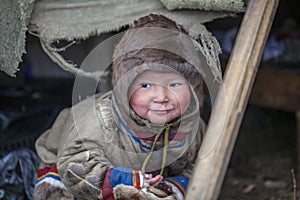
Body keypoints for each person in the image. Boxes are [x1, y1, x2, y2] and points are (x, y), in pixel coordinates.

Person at [34, 14, 209, 200]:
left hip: (146, 179)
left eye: (174, 85)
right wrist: (122, 180)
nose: (162, 97)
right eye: (146, 86)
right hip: (73, 174)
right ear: (125, 89)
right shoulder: (98, 123)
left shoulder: (192, 128)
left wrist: (172, 186)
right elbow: (74, 167)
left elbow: (197, 165)